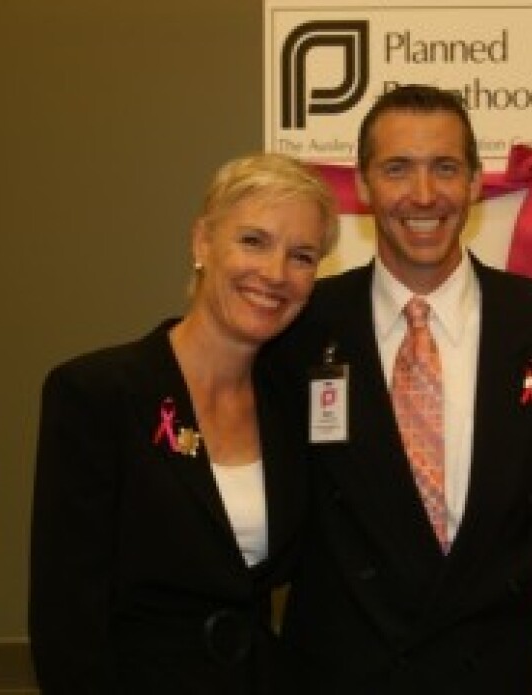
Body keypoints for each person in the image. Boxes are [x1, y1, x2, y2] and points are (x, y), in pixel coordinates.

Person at [273, 84, 532, 693]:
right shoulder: (296, 329)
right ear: (364, 186)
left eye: (444, 168)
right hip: (345, 676)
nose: (423, 195)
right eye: (398, 169)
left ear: (475, 182)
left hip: (504, 675)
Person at [28, 153, 338, 694]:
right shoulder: (98, 394)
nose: (274, 273)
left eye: (302, 256)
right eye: (253, 241)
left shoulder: (294, 407)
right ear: (202, 243)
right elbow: (66, 621)